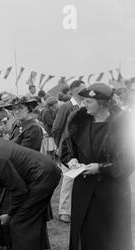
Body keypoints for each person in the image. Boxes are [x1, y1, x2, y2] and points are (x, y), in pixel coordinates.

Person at [65, 83, 134, 250]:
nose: (83, 105)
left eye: (88, 101)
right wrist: (72, 159)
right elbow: (68, 149)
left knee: (113, 232)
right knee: (89, 232)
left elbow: (128, 160)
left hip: (112, 187)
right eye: (83, 100)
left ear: (102, 102)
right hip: (85, 186)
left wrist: (101, 168)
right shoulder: (80, 121)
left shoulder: (122, 123)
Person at [51, 80, 86, 223]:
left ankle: (76, 209)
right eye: (83, 89)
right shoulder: (66, 106)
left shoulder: (85, 105)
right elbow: (57, 128)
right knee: (68, 179)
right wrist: (60, 145)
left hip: (81, 147)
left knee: (79, 178)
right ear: (75, 90)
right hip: (67, 148)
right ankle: (64, 211)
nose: (86, 91)